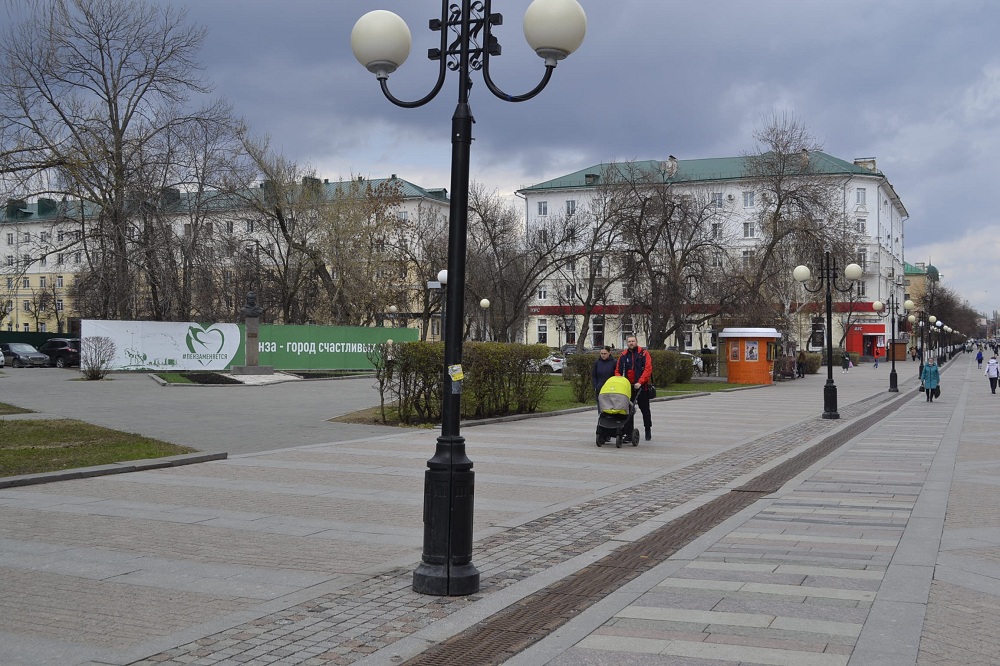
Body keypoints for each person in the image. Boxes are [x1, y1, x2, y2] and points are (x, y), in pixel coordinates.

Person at [615, 335, 653, 441]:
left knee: (645, 410)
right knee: (628, 411)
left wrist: (640, 382)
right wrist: (621, 381)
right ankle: (628, 433)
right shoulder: (623, 355)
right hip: (628, 388)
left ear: (636, 341)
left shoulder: (644, 354)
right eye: (629, 341)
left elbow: (648, 369)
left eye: (633, 341)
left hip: (642, 387)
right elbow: (617, 370)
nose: (631, 343)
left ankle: (647, 429)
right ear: (627, 343)